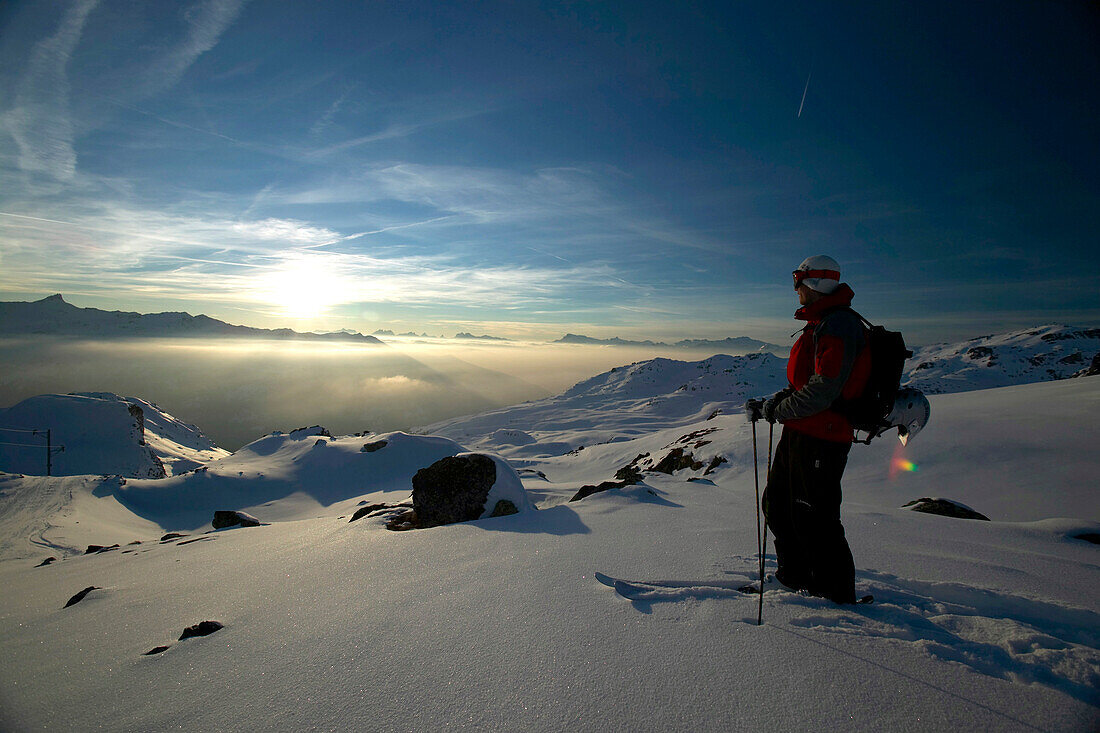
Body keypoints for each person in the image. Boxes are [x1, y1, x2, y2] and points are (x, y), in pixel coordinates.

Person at [747, 255, 870, 604]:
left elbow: (823, 390)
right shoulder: (821, 323)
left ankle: (835, 594)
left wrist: (779, 410)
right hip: (802, 432)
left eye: (797, 281)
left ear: (811, 284)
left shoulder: (838, 325)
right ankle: (794, 576)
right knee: (779, 504)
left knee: (815, 515)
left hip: (823, 438)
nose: (795, 289)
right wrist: (774, 404)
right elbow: (808, 383)